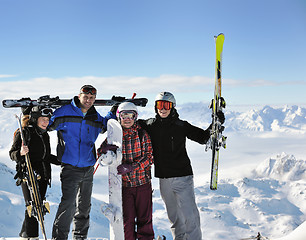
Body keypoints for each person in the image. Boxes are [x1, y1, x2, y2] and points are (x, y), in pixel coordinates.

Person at [139, 92, 225, 240]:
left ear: (172, 107)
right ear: (155, 107)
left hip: (182, 176)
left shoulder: (181, 126)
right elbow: (130, 123)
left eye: (167, 105)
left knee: (189, 215)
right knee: (174, 216)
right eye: (160, 105)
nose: (163, 109)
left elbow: (203, 138)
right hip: (164, 178)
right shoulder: (150, 125)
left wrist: (216, 122)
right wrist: (120, 111)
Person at [48, 85, 116, 240]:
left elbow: (105, 126)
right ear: (79, 96)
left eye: (92, 98)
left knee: (84, 207)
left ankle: (80, 237)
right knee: (68, 205)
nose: (89, 100)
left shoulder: (95, 116)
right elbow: (46, 124)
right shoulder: (64, 112)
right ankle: (59, 238)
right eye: (86, 97)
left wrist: (114, 111)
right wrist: (36, 112)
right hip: (70, 167)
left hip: (88, 168)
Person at [9, 106, 60, 240]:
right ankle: (33, 236)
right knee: (32, 206)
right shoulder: (24, 133)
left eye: (47, 120)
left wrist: (62, 161)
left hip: (43, 175)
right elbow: (12, 154)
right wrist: (20, 153)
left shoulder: (45, 135)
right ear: (35, 119)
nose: (45, 122)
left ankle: (26, 235)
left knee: (37, 206)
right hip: (28, 173)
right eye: (43, 119)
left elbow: (46, 156)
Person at [116, 102, 155, 240]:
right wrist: (103, 150)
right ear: (119, 116)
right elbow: (102, 155)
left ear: (135, 117)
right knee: (127, 221)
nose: (127, 119)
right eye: (124, 115)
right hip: (126, 186)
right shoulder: (115, 135)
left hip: (143, 184)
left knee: (145, 220)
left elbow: (149, 157)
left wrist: (132, 166)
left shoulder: (142, 134)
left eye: (130, 115)